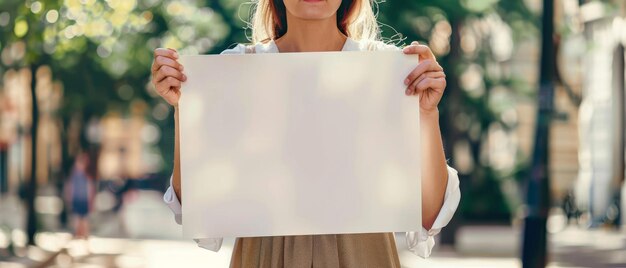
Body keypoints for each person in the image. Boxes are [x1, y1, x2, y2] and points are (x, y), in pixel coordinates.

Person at [152, 0, 461, 267]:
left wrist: (426, 114)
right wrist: (185, 109)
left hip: (365, 255)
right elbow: (199, 206)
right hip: (264, 256)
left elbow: (428, 214)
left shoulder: (393, 70)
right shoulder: (235, 70)